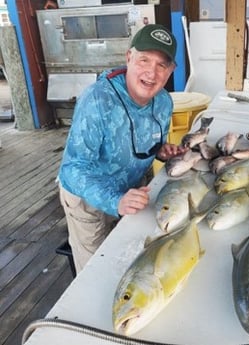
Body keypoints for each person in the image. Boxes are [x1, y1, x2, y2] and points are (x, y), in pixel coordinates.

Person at [57, 24, 187, 274]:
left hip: (131, 189)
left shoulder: (163, 102)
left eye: (162, 65)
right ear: (129, 57)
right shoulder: (97, 100)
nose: (152, 72)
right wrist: (115, 200)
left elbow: (143, 140)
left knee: (127, 256)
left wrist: (159, 150)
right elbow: (72, 169)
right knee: (95, 272)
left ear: (171, 71)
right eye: (144, 59)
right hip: (87, 197)